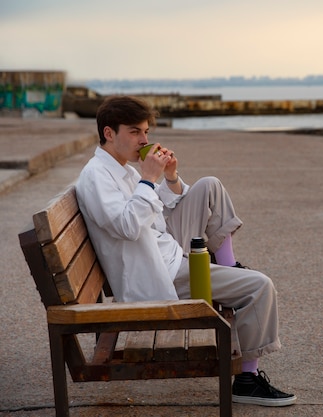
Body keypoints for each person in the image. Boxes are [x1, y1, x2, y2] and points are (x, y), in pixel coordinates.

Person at [75, 95, 296, 407]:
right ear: (109, 133)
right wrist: (149, 179)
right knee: (260, 287)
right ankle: (247, 380)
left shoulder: (122, 168)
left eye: (147, 132)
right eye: (136, 132)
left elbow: (156, 206)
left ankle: (226, 266)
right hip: (160, 272)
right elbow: (127, 225)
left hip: (167, 251)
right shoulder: (97, 176)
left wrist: (168, 177)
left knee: (208, 186)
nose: (144, 140)